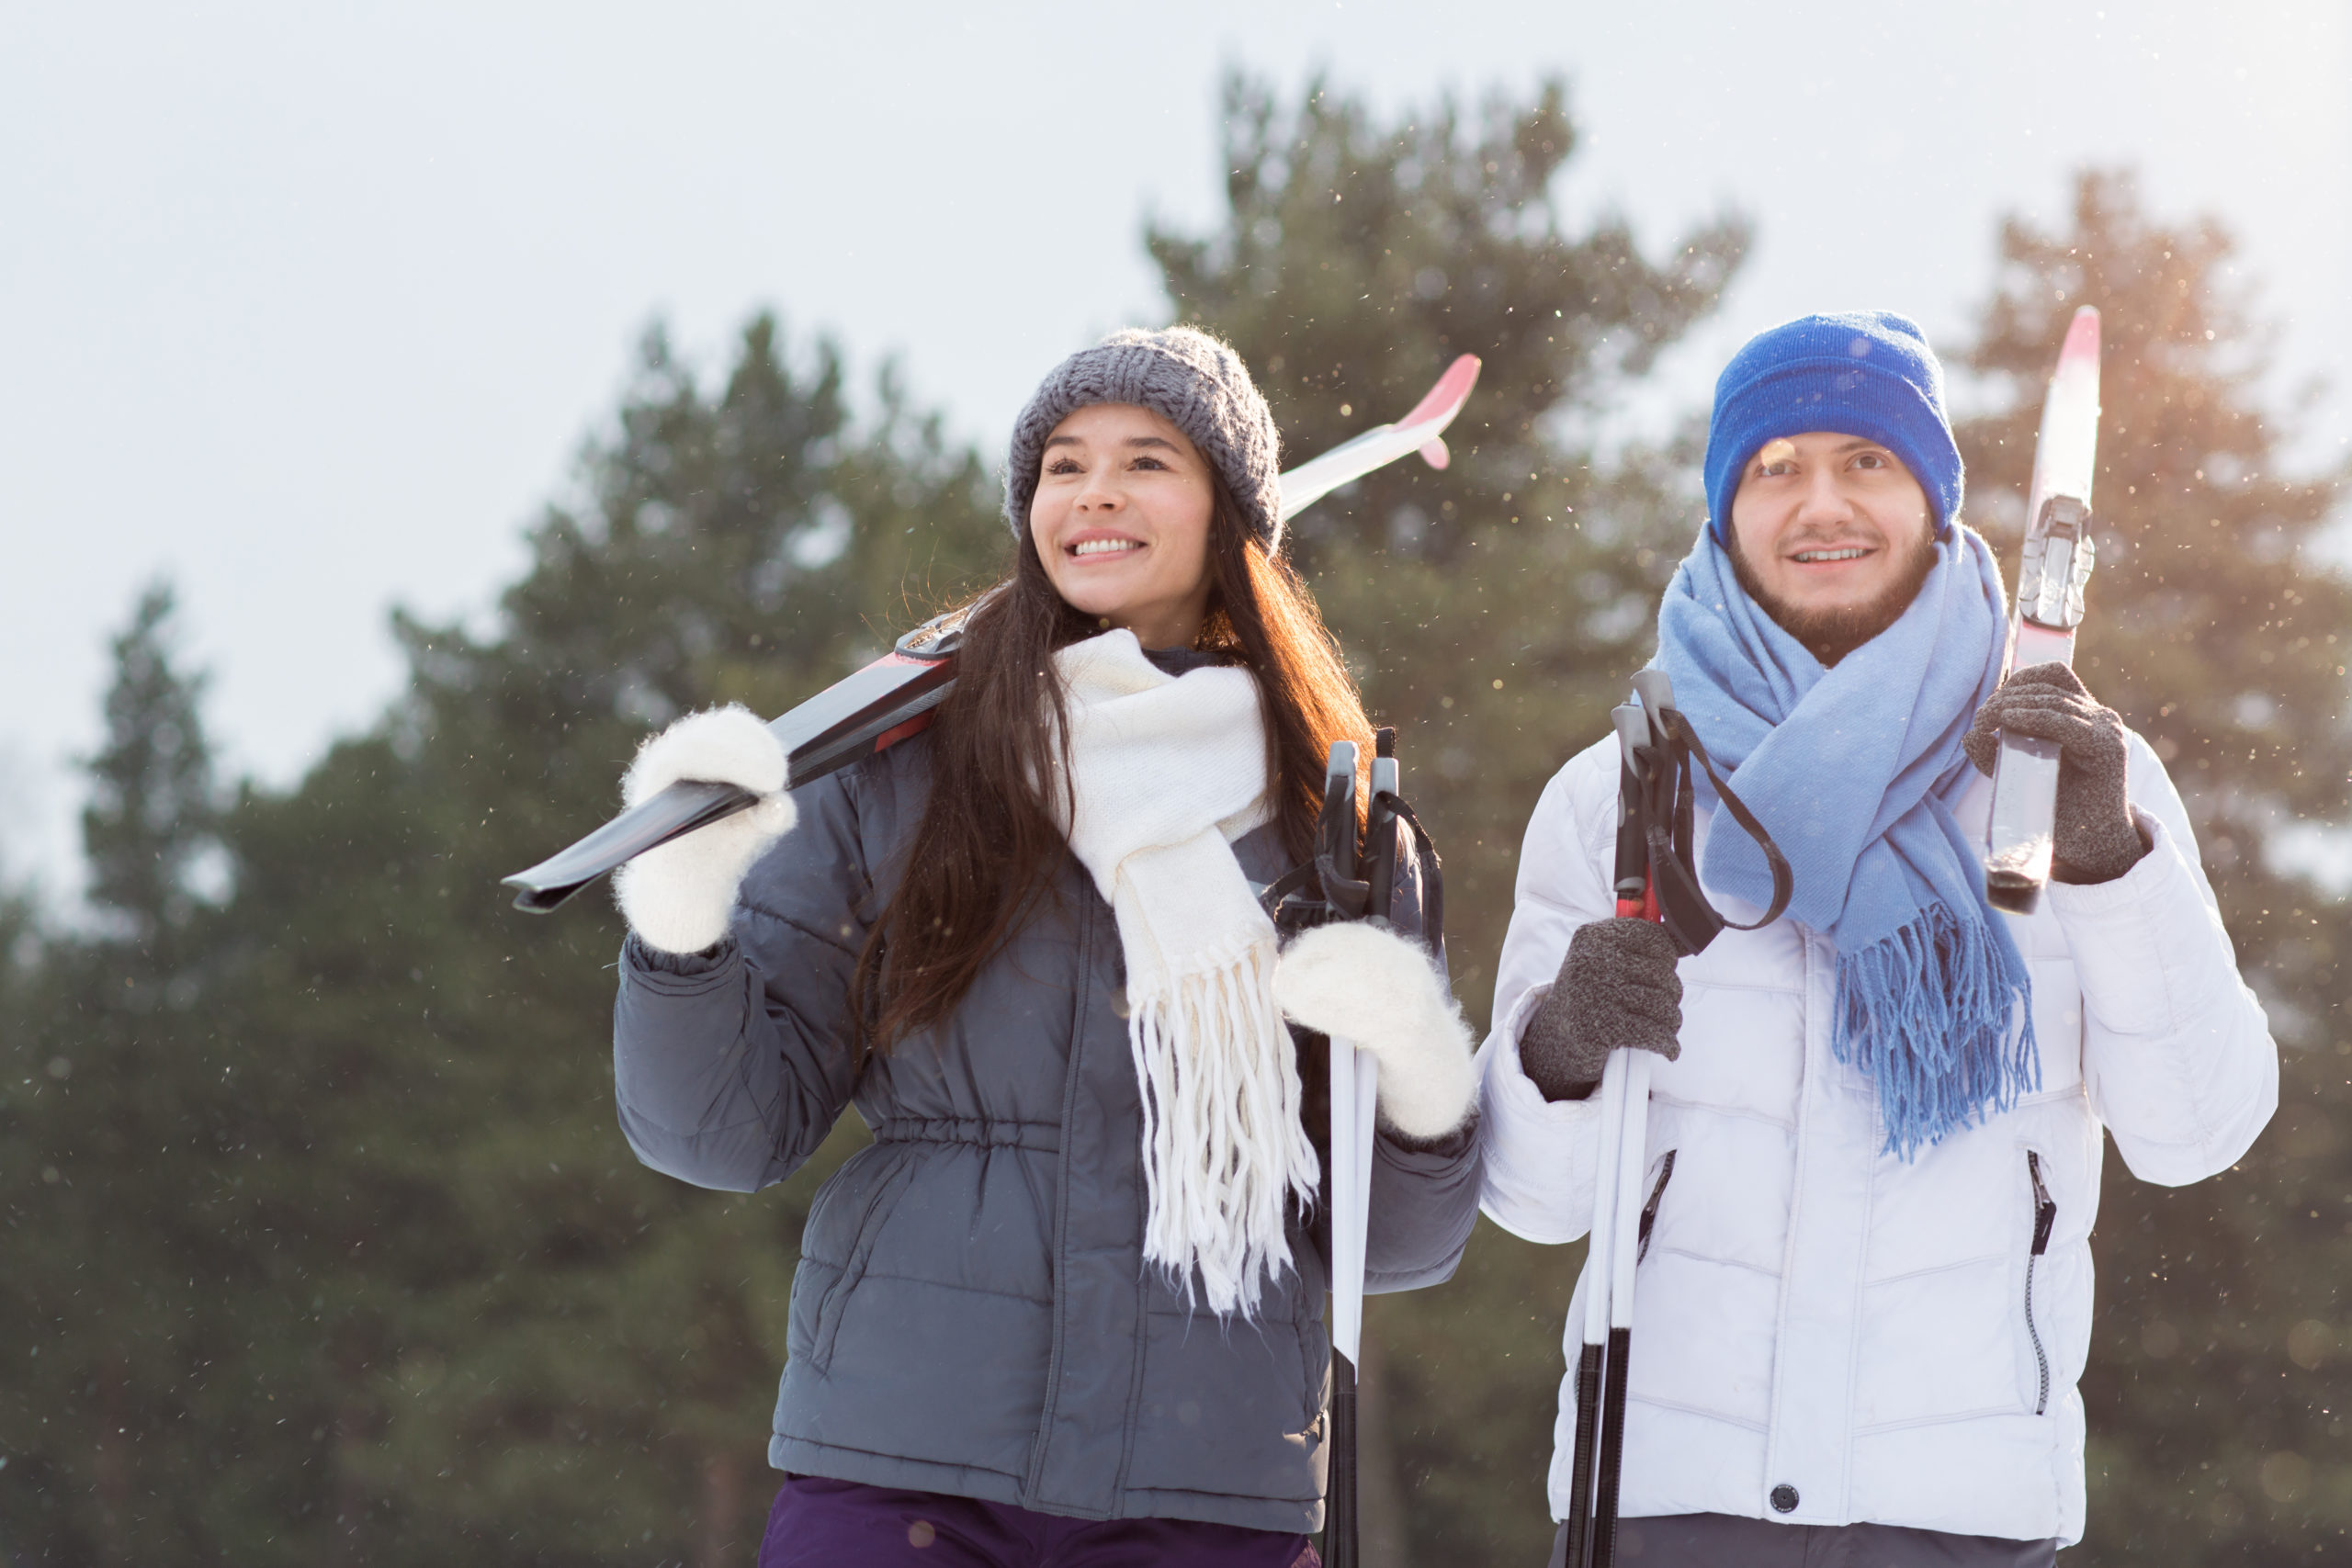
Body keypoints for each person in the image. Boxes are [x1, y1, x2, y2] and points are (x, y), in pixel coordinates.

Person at [606, 327, 1483, 1568]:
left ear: (1231, 512)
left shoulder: (1327, 828)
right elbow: (723, 1133)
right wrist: (686, 923)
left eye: (1148, 461)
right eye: (1063, 466)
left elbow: (1391, 1246)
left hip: (1207, 1490)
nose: (1097, 494)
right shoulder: (905, 780)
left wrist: (1418, 1073)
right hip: (902, 1468)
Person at [1476, 311, 2277, 1565]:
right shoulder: (1625, 795)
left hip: (1960, 1506)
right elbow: (1530, 1199)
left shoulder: (2069, 771)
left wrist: (2113, 860)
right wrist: (1560, 1044)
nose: (1819, 502)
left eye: (1866, 460)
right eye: (1774, 466)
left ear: (1935, 500)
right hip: (1665, 1500)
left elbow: (2196, 1132)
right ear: (1725, 509)